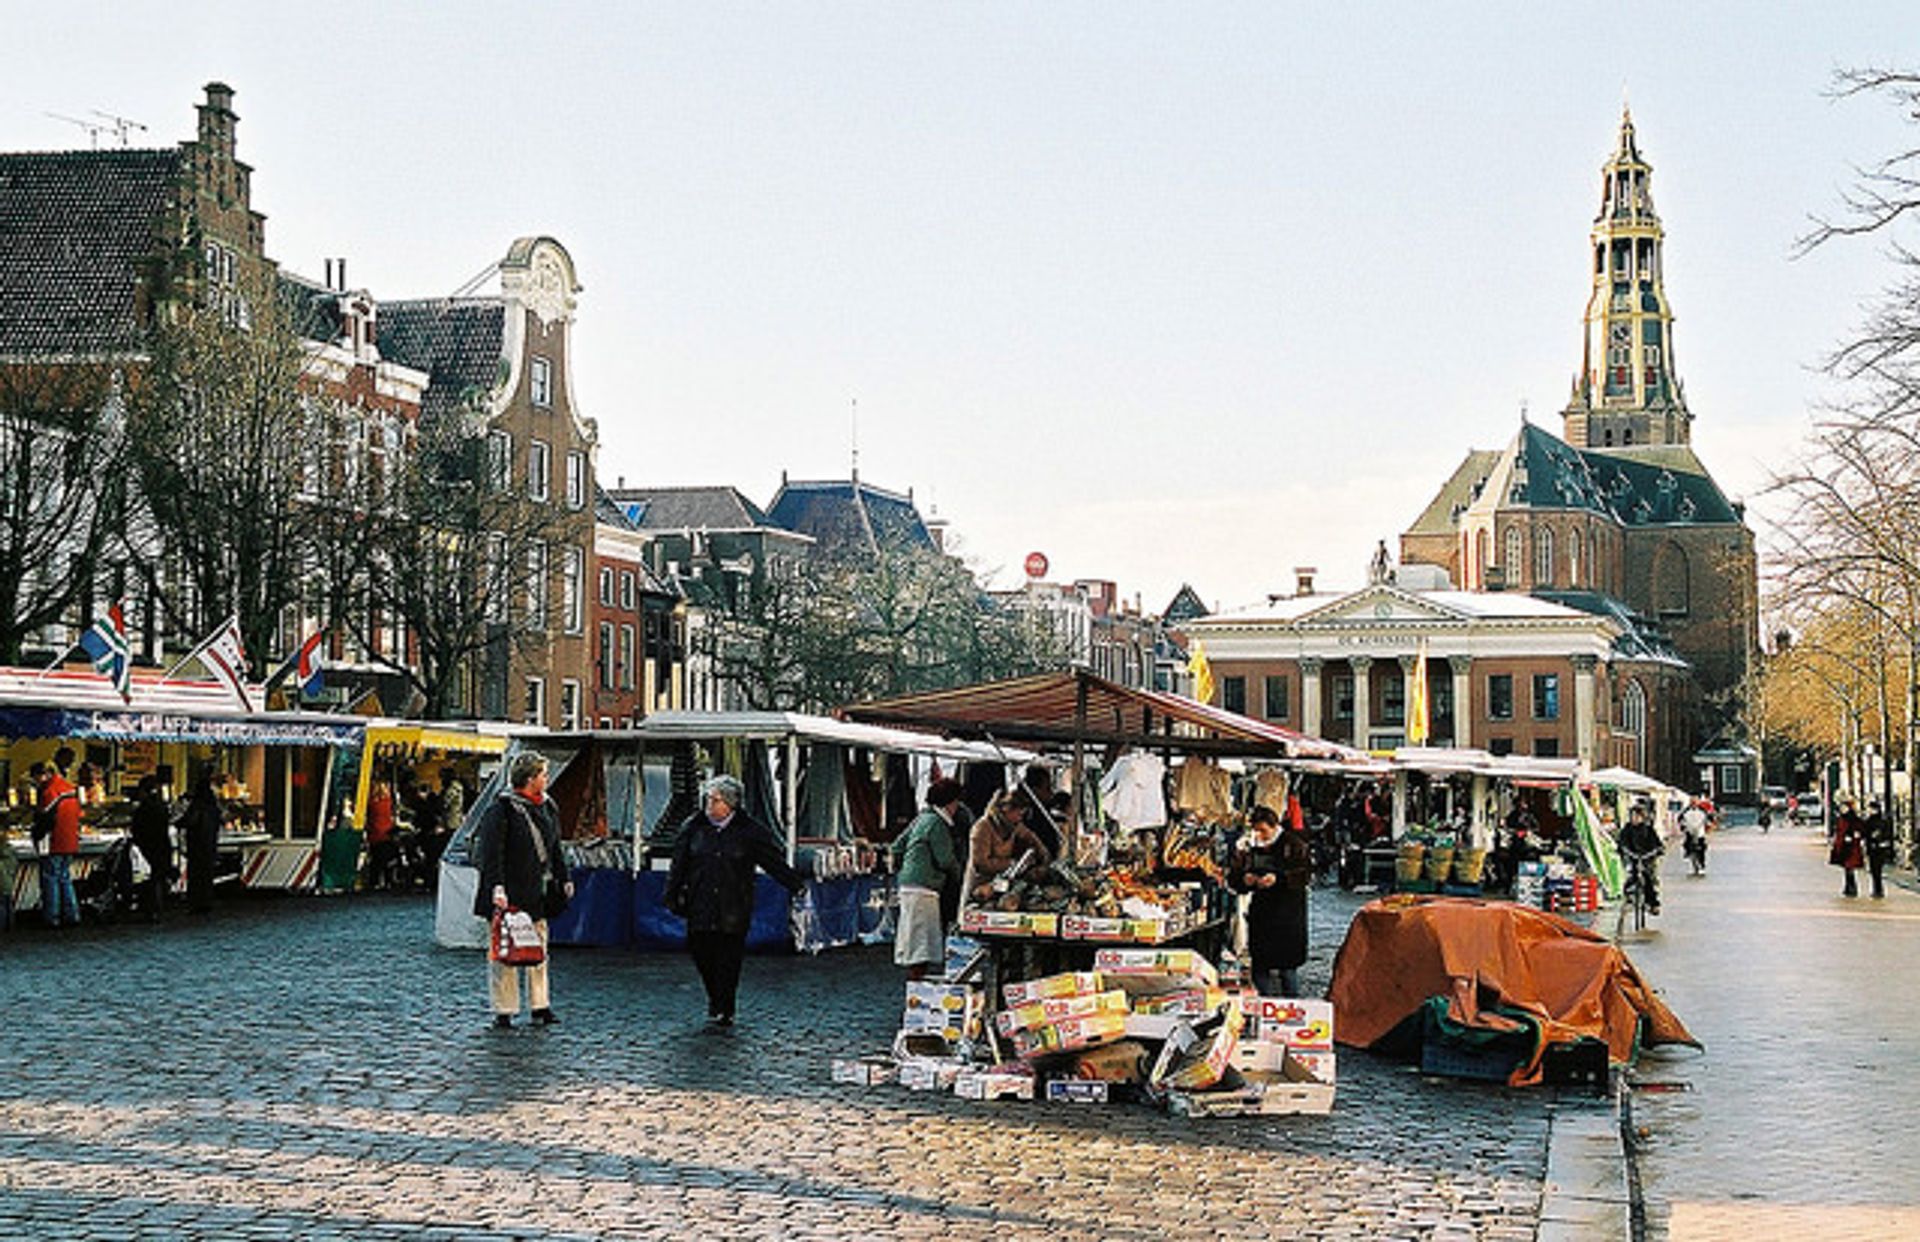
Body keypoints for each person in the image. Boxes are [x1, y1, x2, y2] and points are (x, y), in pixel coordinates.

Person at [664, 774, 807, 1028]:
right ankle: (714, 996)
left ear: (729, 804)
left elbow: (771, 861)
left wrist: (795, 883)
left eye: (715, 800)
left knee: (729, 958)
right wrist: (672, 893)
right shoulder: (693, 827)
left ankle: (725, 1006)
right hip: (700, 902)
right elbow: (679, 864)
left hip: (733, 905)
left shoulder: (749, 831)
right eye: (707, 799)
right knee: (701, 952)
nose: (709, 805)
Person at [471, 751, 573, 1029]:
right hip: (508, 891)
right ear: (530, 779)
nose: (547, 778)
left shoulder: (548, 806)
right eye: (542, 774)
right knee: (505, 951)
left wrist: (564, 877)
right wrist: (497, 887)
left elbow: (554, 847)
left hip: (536, 890)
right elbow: (491, 853)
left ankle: (541, 1005)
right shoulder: (501, 810)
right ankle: (504, 1009)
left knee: (538, 947)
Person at [1228, 805, 1312, 995]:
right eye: (1256, 830)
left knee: (1287, 969)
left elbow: (1304, 875)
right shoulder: (1248, 846)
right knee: (1260, 965)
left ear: (1274, 826)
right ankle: (1261, 1007)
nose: (1259, 835)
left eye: (1263, 830)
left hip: (1287, 917)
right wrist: (1245, 879)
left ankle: (1293, 1005)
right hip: (1262, 916)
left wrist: (1279, 879)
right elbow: (1234, 878)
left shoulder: (1294, 844)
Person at [894, 778, 967, 981]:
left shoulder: (922, 818)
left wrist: (906, 867)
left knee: (914, 939)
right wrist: (963, 879)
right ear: (950, 802)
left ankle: (916, 982)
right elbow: (945, 860)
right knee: (921, 943)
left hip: (909, 885)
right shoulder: (936, 823)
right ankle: (916, 987)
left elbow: (897, 846)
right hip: (923, 887)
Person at [963, 789, 1051, 903]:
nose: (1020, 817)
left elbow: (1032, 839)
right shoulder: (982, 828)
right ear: (1005, 809)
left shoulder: (1013, 826)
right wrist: (1011, 864)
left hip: (1000, 886)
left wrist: (1044, 856)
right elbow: (981, 864)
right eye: (1018, 813)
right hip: (980, 888)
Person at [33, 754, 83, 928]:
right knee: (65, 878)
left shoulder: (49, 792)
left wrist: (35, 835)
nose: (36, 781)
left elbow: (43, 819)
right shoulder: (70, 788)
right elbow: (80, 814)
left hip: (54, 841)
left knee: (50, 879)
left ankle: (51, 917)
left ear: (44, 774)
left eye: (36, 777)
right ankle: (72, 915)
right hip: (70, 841)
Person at [128, 774, 176, 920]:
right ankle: (157, 908)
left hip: (149, 846)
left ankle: (152, 909)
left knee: (151, 878)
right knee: (158, 877)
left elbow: (137, 827)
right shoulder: (161, 805)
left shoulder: (145, 808)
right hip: (161, 844)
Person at [180, 770, 226, 914]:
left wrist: (179, 823)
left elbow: (189, 821)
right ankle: (206, 901)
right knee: (207, 875)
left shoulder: (197, 805)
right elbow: (221, 820)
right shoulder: (213, 806)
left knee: (195, 875)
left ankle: (195, 903)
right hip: (210, 844)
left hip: (196, 845)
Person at [1617, 801, 1664, 914]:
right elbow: (1621, 842)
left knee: (1648, 877)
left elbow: (1657, 844)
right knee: (1630, 876)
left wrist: (1658, 850)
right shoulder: (1627, 829)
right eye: (1633, 816)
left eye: (1637, 816)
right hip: (1632, 857)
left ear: (1643, 817)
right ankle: (1628, 898)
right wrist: (1623, 849)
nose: (1635, 818)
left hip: (1647, 858)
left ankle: (1653, 904)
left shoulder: (1648, 829)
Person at [365, 779, 397, 890]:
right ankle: (389, 880)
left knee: (375, 860)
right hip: (386, 833)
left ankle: (374, 882)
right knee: (387, 860)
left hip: (374, 834)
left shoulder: (371, 803)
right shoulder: (387, 802)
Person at [1831, 801, 1866, 898]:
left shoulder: (1854, 819)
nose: (1843, 810)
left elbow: (1860, 830)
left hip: (1851, 847)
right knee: (1846, 868)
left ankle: (1852, 888)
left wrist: (1855, 836)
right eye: (1842, 808)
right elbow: (1838, 831)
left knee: (1850, 867)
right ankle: (1848, 887)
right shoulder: (1841, 819)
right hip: (1842, 846)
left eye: (1845, 808)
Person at [1863, 800, 1894, 900]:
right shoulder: (1868, 821)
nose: (1870, 811)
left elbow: (1888, 834)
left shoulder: (1883, 821)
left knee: (1878, 869)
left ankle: (1879, 889)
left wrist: (1882, 840)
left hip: (1881, 848)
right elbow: (1865, 834)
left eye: (1872, 809)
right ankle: (1876, 889)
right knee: (1873, 870)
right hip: (1872, 848)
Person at [1680, 800, 1709, 877]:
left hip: (1700, 833)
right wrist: (1684, 827)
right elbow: (1681, 820)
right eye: (1692, 803)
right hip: (1690, 832)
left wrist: (1705, 826)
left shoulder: (1702, 811)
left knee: (1701, 850)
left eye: (1695, 803)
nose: (1693, 804)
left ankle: (1702, 867)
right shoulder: (1686, 811)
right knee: (1688, 847)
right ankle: (1693, 866)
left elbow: (1707, 819)